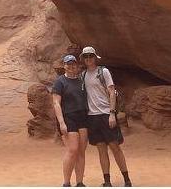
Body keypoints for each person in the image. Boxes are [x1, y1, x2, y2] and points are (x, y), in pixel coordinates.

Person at [80, 46, 132, 187]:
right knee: (101, 149)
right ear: (83, 59)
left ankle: (127, 179)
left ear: (95, 57)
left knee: (115, 147)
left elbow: (111, 91)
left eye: (91, 56)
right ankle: (107, 181)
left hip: (105, 114)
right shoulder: (83, 75)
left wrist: (112, 113)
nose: (88, 59)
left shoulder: (103, 72)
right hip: (92, 117)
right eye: (86, 57)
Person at [51, 54, 88, 187]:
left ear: (77, 65)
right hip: (68, 117)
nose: (71, 66)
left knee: (81, 151)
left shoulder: (81, 81)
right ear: (64, 66)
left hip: (82, 117)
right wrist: (61, 122)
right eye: (68, 64)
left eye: (73, 64)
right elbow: (56, 103)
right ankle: (66, 182)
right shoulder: (60, 81)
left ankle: (80, 182)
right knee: (72, 150)